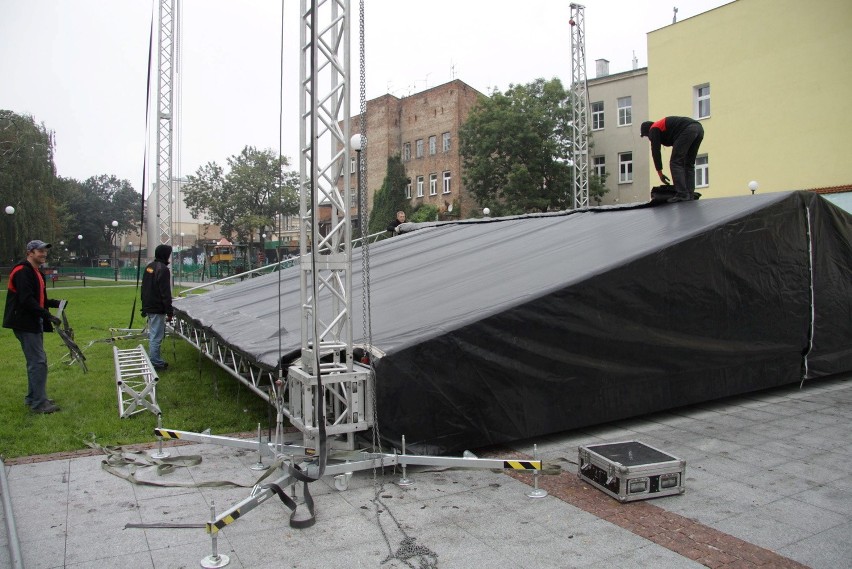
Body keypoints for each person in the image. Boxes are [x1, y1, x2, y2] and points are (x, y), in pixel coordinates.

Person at [3, 240, 65, 414]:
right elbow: (26, 300)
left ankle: (34, 397)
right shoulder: (22, 271)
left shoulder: (36, 271)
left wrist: (55, 303)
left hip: (32, 320)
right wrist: (47, 315)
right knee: (38, 362)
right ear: (30, 252)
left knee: (37, 361)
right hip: (25, 322)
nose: (44, 254)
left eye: (45, 252)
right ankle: (39, 403)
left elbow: (39, 298)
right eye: (40, 251)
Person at [640, 116, 704, 203]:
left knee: (675, 162)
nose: (649, 138)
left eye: (646, 136)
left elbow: (655, 151)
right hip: (698, 129)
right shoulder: (663, 128)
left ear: (647, 131)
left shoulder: (653, 128)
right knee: (688, 164)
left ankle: (682, 194)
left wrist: (660, 173)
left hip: (688, 130)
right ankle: (690, 194)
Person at [141, 244, 174, 371]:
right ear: (165, 255)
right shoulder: (163, 269)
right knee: (156, 335)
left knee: (154, 334)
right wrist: (169, 311)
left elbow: (144, 288)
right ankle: (155, 362)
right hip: (156, 308)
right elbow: (165, 293)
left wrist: (145, 306)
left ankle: (155, 359)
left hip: (149, 306)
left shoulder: (150, 267)